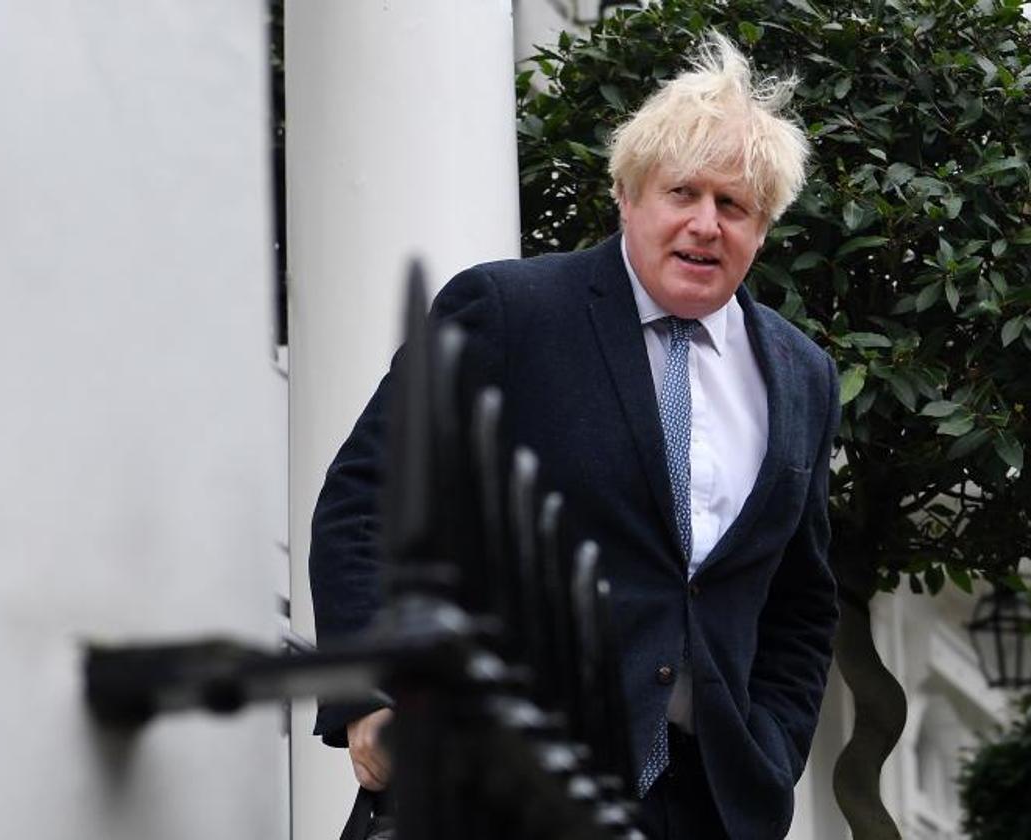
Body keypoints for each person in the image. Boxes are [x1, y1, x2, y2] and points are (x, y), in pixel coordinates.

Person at [309, 32, 839, 840]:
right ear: (629, 197)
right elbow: (365, 503)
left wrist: (771, 748)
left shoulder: (802, 376)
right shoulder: (509, 313)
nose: (705, 225)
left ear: (761, 227)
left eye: (732, 206)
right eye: (682, 193)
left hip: (706, 805)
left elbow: (801, 600)